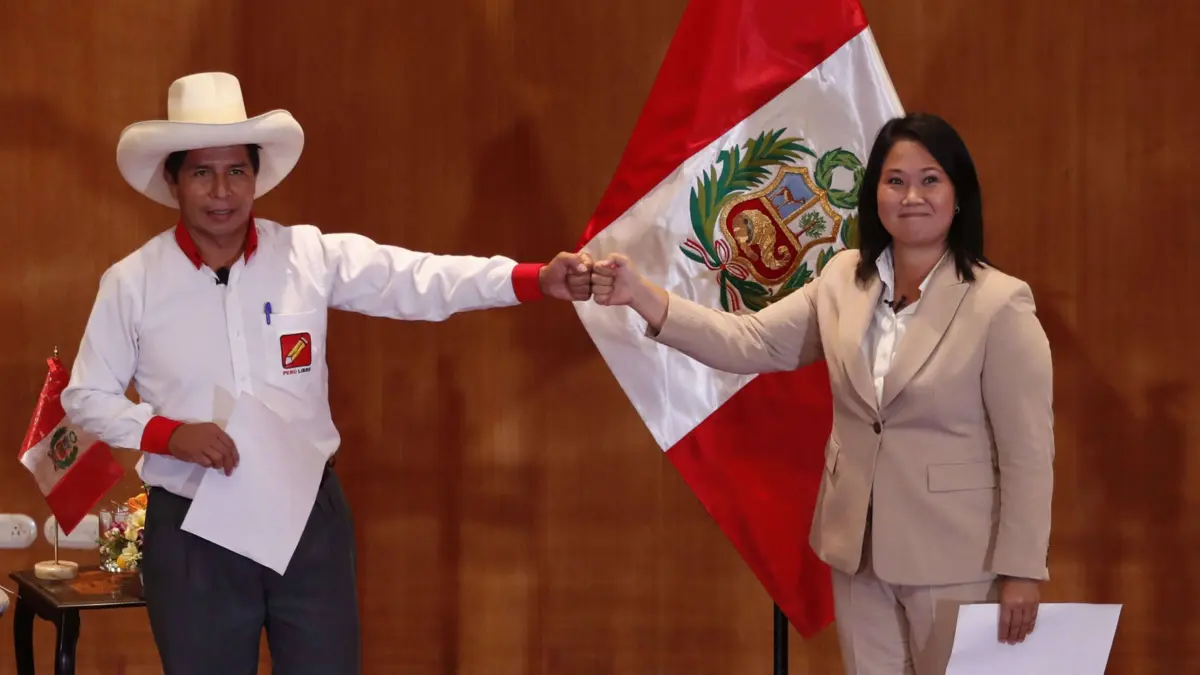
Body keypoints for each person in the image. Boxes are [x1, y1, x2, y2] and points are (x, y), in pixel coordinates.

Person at [60, 72, 591, 675]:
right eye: (202, 172)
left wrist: (533, 279)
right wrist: (167, 434)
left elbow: (416, 280)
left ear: (256, 177)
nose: (222, 191)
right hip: (192, 525)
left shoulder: (307, 255)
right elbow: (86, 395)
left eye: (237, 171)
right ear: (173, 180)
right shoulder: (133, 281)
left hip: (308, 519)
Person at [590, 113, 1054, 675]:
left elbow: (1028, 452)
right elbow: (749, 340)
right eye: (895, 181)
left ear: (959, 196)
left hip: (958, 556)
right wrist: (641, 295)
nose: (911, 196)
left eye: (930, 180)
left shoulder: (1000, 303)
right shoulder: (841, 279)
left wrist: (1022, 570)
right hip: (855, 551)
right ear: (874, 194)